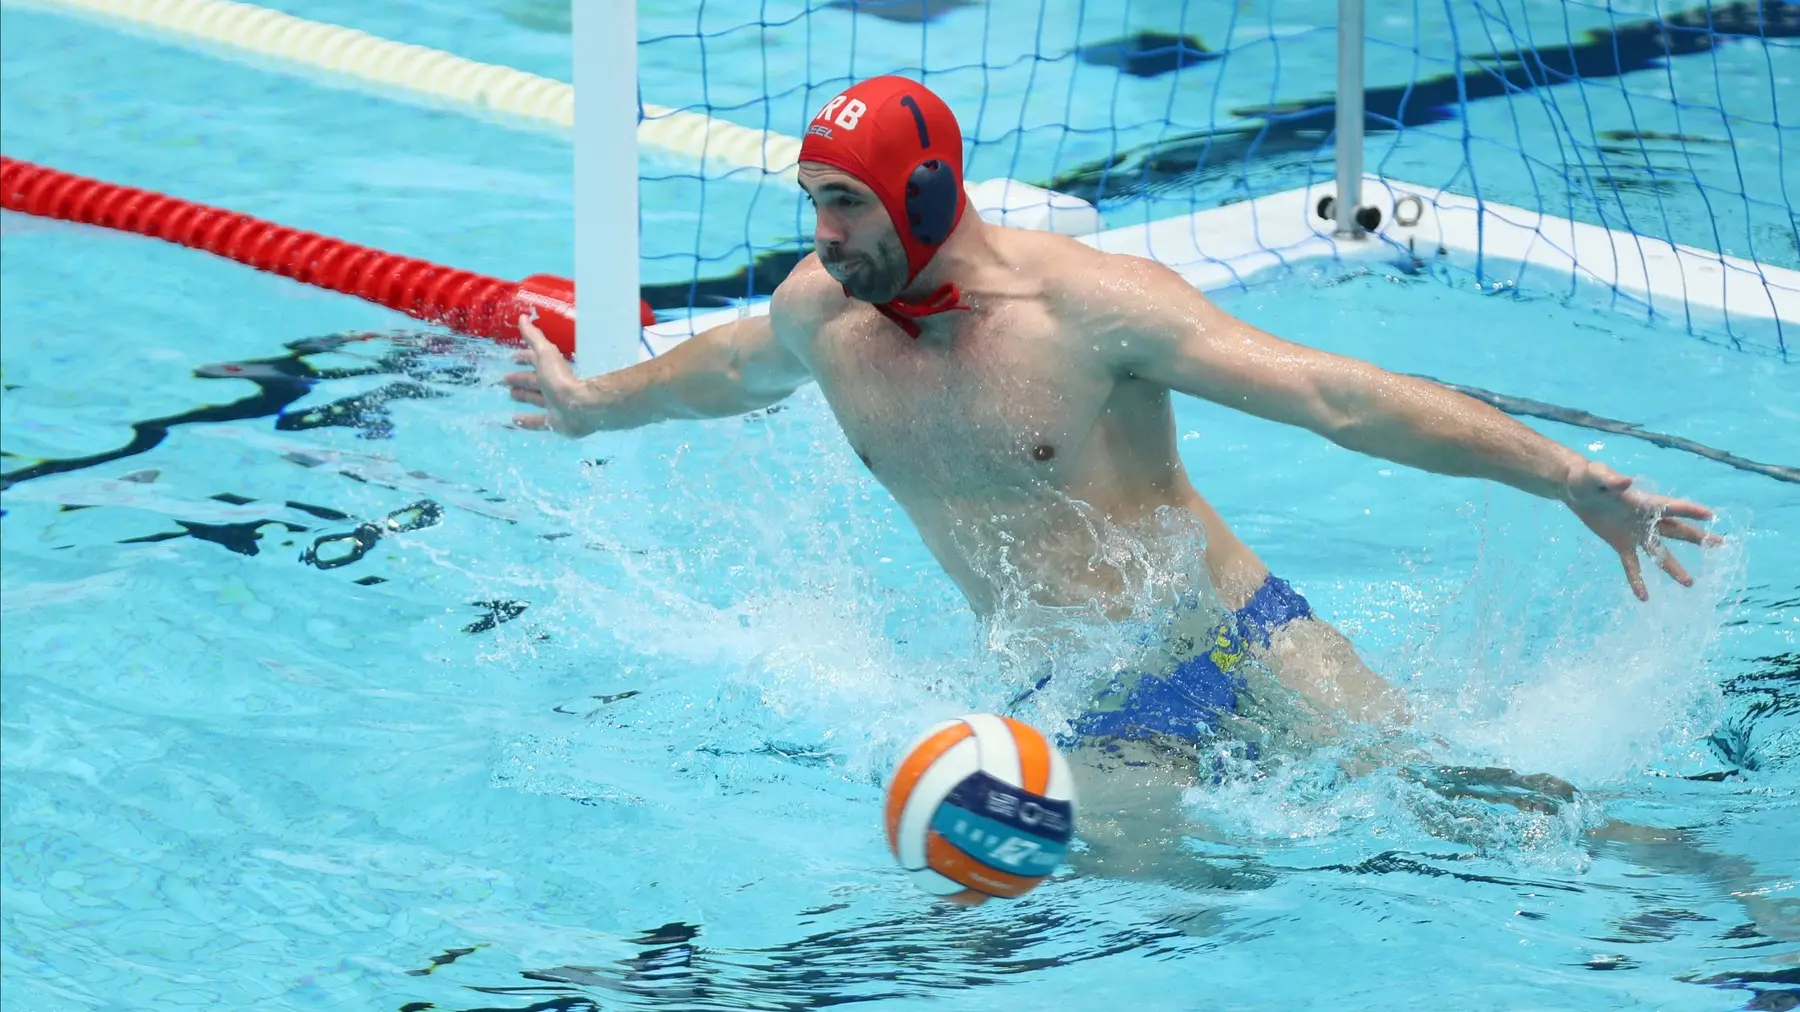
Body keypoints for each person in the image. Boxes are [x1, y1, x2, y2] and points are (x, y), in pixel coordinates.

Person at [503, 75, 1729, 877]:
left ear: (926, 192)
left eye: (846, 204)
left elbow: (1337, 397)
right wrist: (593, 407)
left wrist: (1565, 476)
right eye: (815, 203)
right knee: (1174, 901)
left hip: (1246, 633)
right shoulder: (822, 315)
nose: (824, 234)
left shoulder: (1088, 311)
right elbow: (725, 371)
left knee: (1466, 800)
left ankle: (1715, 888)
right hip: (1090, 704)